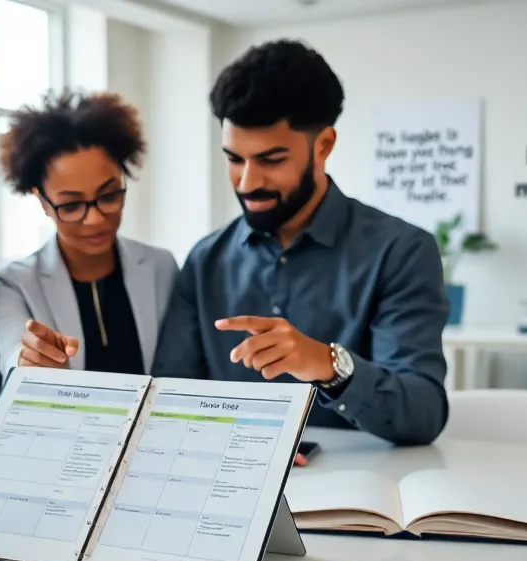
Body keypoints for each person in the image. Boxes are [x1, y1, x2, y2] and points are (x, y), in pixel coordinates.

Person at [153, 40, 449, 446]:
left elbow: (422, 413)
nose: (247, 182)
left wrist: (327, 364)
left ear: (323, 146)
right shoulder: (205, 260)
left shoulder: (401, 252)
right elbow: (170, 401)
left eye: (271, 160)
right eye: (234, 158)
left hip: (363, 496)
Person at [0, 91, 177, 374]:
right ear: (42, 201)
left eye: (109, 195)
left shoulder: (161, 267)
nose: (94, 219)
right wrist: (27, 359)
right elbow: (12, 356)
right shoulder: (14, 285)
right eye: (72, 204)